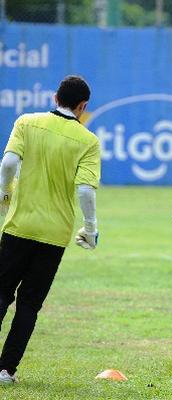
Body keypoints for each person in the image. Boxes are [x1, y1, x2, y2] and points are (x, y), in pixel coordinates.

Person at [0, 75, 101, 385]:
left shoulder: (27, 122)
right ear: (82, 106)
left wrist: (5, 194)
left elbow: (8, 164)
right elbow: (85, 192)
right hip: (55, 234)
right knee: (29, 304)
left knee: (2, 294)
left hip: (19, 226)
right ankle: (5, 371)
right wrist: (90, 228)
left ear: (56, 97)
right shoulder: (88, 141)